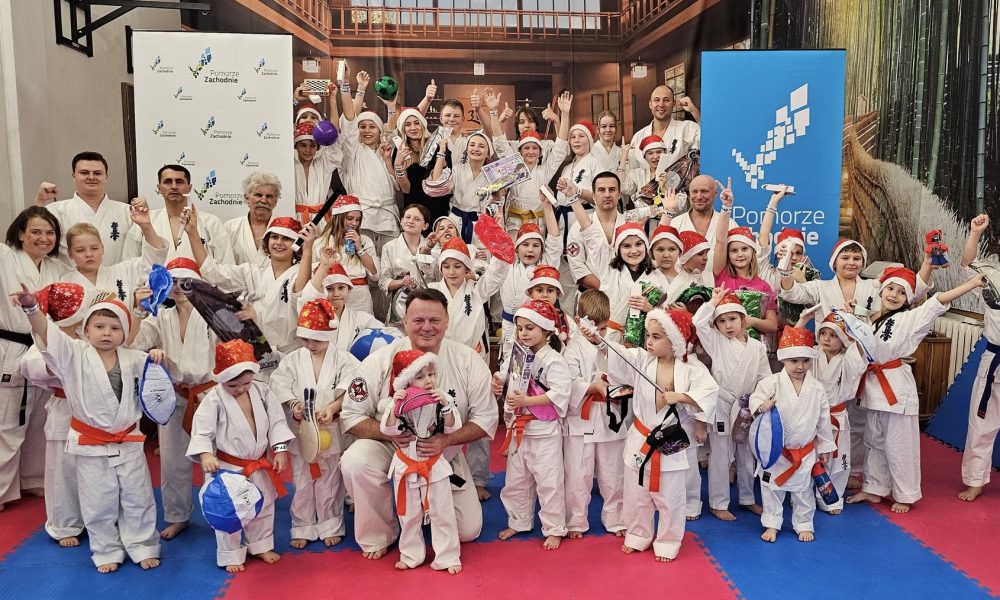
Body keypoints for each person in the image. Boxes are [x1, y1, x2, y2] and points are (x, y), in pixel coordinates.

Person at [339, 288, 498, 560]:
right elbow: (351, 415)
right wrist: (389, 434)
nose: (427, 327)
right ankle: (380, 532)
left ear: (447, 322)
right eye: (418, 320)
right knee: (355, 460)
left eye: (434, 320)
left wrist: (447, 439)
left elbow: (486, 419)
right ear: (404, 321)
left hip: (443, 455)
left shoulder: (467, 360)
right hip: (392, 448)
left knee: (468, 530)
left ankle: (427, 507)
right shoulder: (380, 360)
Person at [16, 291, 162, 572]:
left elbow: (160, 386)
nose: (107, 333)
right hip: (91, 443)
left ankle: (143, 545)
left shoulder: (136, 358)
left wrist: (158, 357)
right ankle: (106, 550)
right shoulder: (73, 355)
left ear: (125, 333)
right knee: (98, 501)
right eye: (99, 326)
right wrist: (32, 308)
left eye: (115, 328)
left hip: (128, 441)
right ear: (85, 330)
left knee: (139, 498)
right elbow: (47, 333)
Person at [581, 308, 717, 561]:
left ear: (674, 340)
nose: (649, 341)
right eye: (648, 335)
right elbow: (619, 355)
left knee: (670, 498)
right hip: (641, 438)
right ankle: (638, 534)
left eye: (656, 337)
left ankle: (668, 541)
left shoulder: (691, 369)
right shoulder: (643, 360)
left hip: (670, 442)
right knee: (636, 495)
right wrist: (598, 341)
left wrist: (681, 396)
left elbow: (708, 393)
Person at [847, 267, 985, 513]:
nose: (894, 295)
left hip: (896, 388)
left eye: (901, 292)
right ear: (881, 290)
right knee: (873, 441)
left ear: (908, 298)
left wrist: (972, 283)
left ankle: (905, 493)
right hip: (873, 386)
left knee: (899, 444)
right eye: (890, 288)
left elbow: (937, 301)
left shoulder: (911, 318)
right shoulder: (873, 318)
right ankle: (874, 488)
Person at [130, 257, 220, 541]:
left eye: (186, 282)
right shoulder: (160, 316)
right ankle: (177, 516)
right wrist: (138, 309)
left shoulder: (212, 314)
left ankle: (222, 512)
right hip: (172, 396)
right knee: (172, 461)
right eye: (174, 282)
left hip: (209, 394)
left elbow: (234, 345)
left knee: (216, 459)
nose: (179, 287)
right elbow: (133, 341)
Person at [187, 339, 294, 572]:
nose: (240, 389)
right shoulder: (214, 399)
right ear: (221, 379)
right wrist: (206, 455)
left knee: (263, 505)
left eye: (246, 383)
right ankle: (231, 553)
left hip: (258, 462)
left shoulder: (262, 391)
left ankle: (261, 545)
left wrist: (280, 449)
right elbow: (202, 430)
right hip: (228, 466)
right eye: (233, 385)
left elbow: (277, 422)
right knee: (229, 511)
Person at [270, 299, 358, 548]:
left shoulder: (344, 359)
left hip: (330, 428)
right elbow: (279, 384)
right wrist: (293, 405)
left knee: (330, 478)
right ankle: (302, 524)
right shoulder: (293, 359)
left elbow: (352, 389)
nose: (310, 345)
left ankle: (330, 523)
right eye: (306, 340)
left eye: (316, 340)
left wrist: (332, 408)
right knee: (302, 478)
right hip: (304, 431)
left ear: (329, 335)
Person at [0, 207, 71, 513]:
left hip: (45, 347)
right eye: (36, 232)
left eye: (50, 232)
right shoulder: (5, 258)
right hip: (12, 346)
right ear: (21, 234)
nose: (44, 238)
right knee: (8, 422)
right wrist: (39, 200)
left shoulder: (58, 267)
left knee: (41, 418)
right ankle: (2, 489)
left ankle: (31, 478)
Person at [18, 282, 93, 547]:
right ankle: (65, 524)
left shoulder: (93, 336)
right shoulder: (46, 339)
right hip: (64, 410)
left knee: (98, 470)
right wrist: (56, 364)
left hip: (95, 411)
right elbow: (28, 366)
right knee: (63, 472)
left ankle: (100, 517)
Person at [494, 300, 571, 550]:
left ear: (546, 330)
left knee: (549, 482)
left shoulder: (554, 360)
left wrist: (527, 400)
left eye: (530, 328)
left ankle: (554, 528)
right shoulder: (517, 353)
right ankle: (519, 521)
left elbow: (560, 393)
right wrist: (498, 381)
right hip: (519, 428)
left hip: (544, 431)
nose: (523, 333)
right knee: (516, 481)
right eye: (520, 328)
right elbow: (506, 375)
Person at [379, 350, 463, 573]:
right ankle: (410, 555)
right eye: (420, 377)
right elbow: (388, 429)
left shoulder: (441, 398)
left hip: (434, 464)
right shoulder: (396, 402)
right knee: (408, 515)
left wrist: (445, 405)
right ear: (406, 381)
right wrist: (395, 406)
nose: (428, 381)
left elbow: (453, 427)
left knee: (442, 511)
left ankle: (448, 557)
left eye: (431, 374)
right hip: (406, 464)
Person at [751, 326, 834, 543]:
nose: (800, 366)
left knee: (803, 490)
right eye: (794, 361)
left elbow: (823, 420)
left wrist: (825, 446)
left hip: (804, 450)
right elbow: (755, 398)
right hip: (776, 450)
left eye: (805, 361)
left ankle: (804, 524)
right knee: (771, 489)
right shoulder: (771, 383)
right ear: (783, 360)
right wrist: (761, 405)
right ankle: (772, 524)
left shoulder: (816, 388)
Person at [693, 288, 771, 520]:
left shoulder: (757, 347)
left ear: (743, 319)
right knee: (720, 455)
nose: (728, 325)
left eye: (733, 319)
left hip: (747, 406)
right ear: (715, 325)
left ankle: (747, 498)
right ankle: (718, 503)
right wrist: (713, 301)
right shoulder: (716, 342)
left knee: (747, 454)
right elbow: (698, 322)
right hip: (723, 404)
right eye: (722, 321)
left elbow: (764, 376)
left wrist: (761, 400)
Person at [562, 289, 626, 538]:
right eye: (593, 328)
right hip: (582, 417)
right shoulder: (572, 349)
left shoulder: (613, 347)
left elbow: (625, 373)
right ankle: (576, 520)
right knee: (578, 475)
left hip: (611, 416)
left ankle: (616, 519)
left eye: (603, 329)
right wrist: (592, 386)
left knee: (613, 473)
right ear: (579, 321)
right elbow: (568, 383)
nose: (597, 333)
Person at [197, 216, 311, 354]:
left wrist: (308, 249)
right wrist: (192, 233)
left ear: (297, 244)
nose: (279, 242)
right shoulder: (252, 272)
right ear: (267, 241)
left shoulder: (301, 273)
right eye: (274, 237)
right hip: (258, 353)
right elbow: (212, 272)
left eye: (286, 238)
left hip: (290, 354)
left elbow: (300, 293)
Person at [429, 90, 506, 245]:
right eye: (448, 115)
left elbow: (490, 135)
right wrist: (441, 152)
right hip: (443, 208)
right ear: (440, 117)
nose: (452, 119)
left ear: (463, 119)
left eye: (456, 116)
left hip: (475, 218)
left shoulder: (468, 142)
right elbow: (435, 182)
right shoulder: (432, 142)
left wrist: (481, 109)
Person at [959, 214, 1000, 502]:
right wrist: (975, 233)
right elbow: (966, 267)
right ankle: (975, 480)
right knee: (981, 424)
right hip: (994, 361)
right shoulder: (992, 274)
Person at [809, 310, 866, 514]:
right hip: (811, 415)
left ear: (843, 339)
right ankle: (804, 497)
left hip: (837, 416)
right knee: (809, 457)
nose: (826, 338)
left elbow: (861, 349)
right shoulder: (812, 354)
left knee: (838, 460)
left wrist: (856, 321)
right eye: (823, 333)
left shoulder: (848, 358)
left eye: (833, 335)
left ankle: (831, 499)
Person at [61, 205, 166, 312]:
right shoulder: (64, 284)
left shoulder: (123, 271)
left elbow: (153, 261)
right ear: (70, 253)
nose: (89, 254)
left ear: (102, 249)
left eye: (94, 248)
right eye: (80, 250)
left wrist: (146, 227)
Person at [123, 164, 234, 265]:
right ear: (159, 188)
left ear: (189, 188)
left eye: (179, 182)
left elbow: (226, 267)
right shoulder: (145, 222)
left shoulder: (211, 222)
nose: (174, 186)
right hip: (154, 282)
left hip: (200, 281)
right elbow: (129, 266)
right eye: (168, 182)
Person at [35, 151, 132, 265]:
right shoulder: (55, 211)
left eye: (97, 173)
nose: (91, 177)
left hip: (115, 276)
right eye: (84, 173)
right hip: (70, 276)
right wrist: (40, 201)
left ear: (106, 177)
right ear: (74, 176)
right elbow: (36, 245)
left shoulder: (127, 212)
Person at [711, 182, 779, 341]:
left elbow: (772, 325)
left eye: (745, 249)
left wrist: (751, 321)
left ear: (753, 251)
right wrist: (726, 207)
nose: (740, 254)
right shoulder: (722, 276)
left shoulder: (763, 286)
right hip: (723, 345)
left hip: (753, 347)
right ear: (728, 254)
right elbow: (720, 241)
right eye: (734, 251)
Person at [501, 93, 572, 235]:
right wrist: (498, 119)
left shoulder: (545, 160)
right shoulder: (513, 157)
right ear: (520, 151)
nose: (531, 152)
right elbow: (499, 143)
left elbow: (561, 149)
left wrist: (562, 116)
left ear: (540, 152)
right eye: (522, 122)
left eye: (535, 148)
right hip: (514, 221)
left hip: (538, 219)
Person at [339, 85, 399, 252]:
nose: (367, 130)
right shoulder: (352, 152)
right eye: (362, 126)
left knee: (390, 261)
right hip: (361, 219)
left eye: (372, 126)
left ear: (380, 131)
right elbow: (349, 124)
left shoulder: (386, 151)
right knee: (358, 261)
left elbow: (391, 133)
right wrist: (353, 86)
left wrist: (391, 107)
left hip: (387, 217)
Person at [431, 237, 509, 361]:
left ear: (467, 268)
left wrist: (497, 240)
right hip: (441, 356)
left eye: (457, 266)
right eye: (446, 267)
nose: (451, 272)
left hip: (472, 356)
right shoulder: (432, 291)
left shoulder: (476, 290)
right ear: (441, 268)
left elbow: (496, 273)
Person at [498, 213, 563, 362]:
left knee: (537, 364)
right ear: (516, 248)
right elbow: (500, 242)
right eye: (525, 245)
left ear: (542, 250)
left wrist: (547, 207)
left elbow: (555, 241)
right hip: (509, 324)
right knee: (509, 365)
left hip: (536, 328)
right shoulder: (507, 264)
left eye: (536, 245)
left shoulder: (545, 265)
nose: (530, 250)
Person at [564, 172, 627, 316]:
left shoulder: (629, 224)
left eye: (612, 189)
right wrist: (606, 289)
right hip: (590, 298)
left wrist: (618, 291)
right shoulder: (578, 227)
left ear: (619, 194)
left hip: (624, 298)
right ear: (593, 195)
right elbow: (578, 268)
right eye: (601, 190)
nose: (607, 194)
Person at [297, 250, 383, 353]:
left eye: (341, 288)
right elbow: (308, 299)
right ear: (322, 291)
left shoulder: (362, 319)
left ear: (349, 290)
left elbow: (390, 335)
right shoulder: (313, 317)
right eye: (329, 289)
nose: (336, 294)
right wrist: (324, 266)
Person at [313, 195, 379, 314]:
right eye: (350, 218)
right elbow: (313, 277)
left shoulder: (365, 241)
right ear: (338, 218)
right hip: (333, 296)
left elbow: (375, 275)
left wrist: (359, 248)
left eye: (358, 220)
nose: (354, 223)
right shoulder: (320, 243)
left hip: (360, 299)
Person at [390, 108, 450, 224]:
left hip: (439, 207)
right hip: (414, 211)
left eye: (416, 123)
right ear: (403, 129)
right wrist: (398, 165)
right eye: (408, 125)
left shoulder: (436, 145)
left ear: (423, 125)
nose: (413, 128)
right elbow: (406, 189)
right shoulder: (400, 151)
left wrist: (441, 152)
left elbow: (440, 179)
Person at [379, 204, 432, 325]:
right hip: (398, 310)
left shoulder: (433, 248)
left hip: (426, 306)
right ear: (401, 221)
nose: (411, 221)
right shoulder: (389, 247)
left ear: (425, 226)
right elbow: (383, 282)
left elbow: (436, 279)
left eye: (417, 219)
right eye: (407, 217)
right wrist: (401, 282)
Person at [670, 174, 737, 268]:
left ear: (715, 194)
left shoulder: (730, 224)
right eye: (694, 191)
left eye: (704, 191)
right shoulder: (675, 224)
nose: (699, 196)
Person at [627, 86, 700, 171]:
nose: (661, 104)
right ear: (650, 104)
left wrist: (694, 111)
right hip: (646, 180)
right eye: (657, 100)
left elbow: (708, 141)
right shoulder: (638, 137)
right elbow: (632, 171)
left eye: (666, 100)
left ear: (674, 103)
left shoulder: (687, 128)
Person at [225, 171, 282, 267]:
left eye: (269, 196)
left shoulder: (284, 229)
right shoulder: (230, 228)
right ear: (247, 198)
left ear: (275, 201)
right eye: (258, 195)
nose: (263, 200)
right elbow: (223, 266)